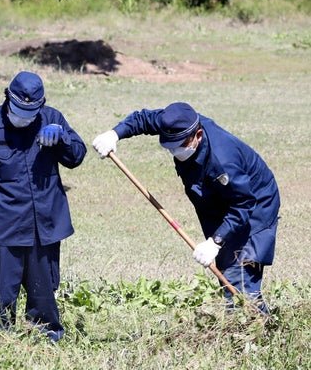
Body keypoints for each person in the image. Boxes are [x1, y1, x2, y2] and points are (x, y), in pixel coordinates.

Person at [92, 102, 280, 313]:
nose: (174, 151)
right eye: (169, 146)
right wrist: (114, 134)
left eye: (179, 145)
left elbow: (243, 203)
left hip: (253, 205)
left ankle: (254, 330)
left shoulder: (223, 161)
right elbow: (142, 119)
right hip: (219, 201)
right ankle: (255, 321)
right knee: (226, 268)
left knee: (239, 274)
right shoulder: (175, 122)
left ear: (198, 135)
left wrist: (216, 242)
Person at [0, 71, 87, 341]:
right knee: (1, 293)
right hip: (3, 225)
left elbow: (76, 157)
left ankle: (45, 338)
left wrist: (63, 137)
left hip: (44, 224)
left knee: (43, 291)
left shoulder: (53, 119)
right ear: (7, 97)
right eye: (19, 109)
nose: (24, 116)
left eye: (31, 111)